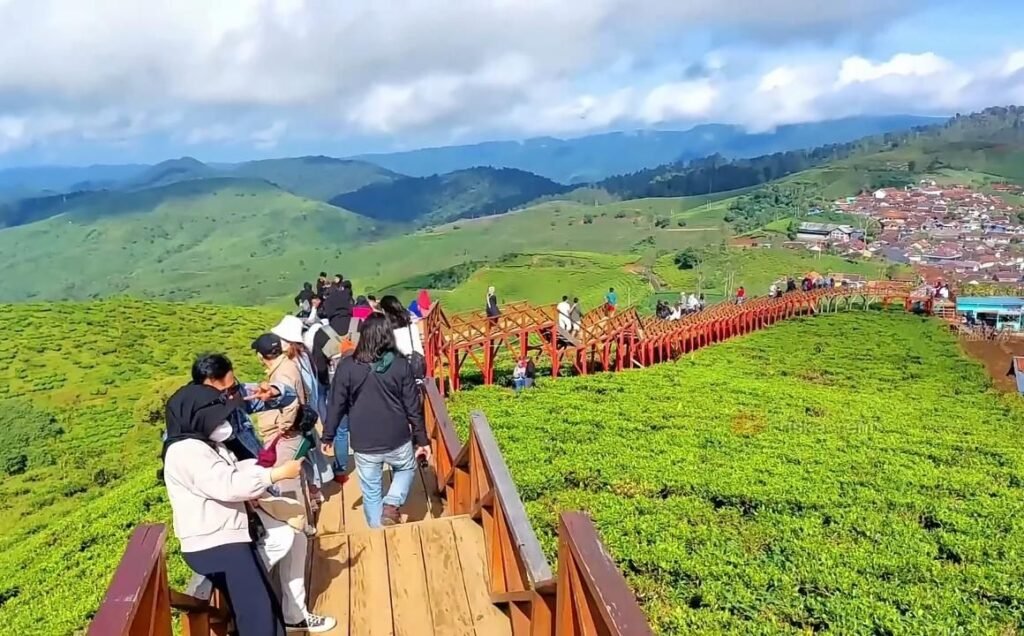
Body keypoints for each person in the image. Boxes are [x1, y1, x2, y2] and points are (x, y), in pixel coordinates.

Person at [163, 363, 336, 634]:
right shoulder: (187, 450)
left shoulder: (205, 439)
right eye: (219, 411)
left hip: (235, 526)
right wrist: (274, 475)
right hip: (218, 539)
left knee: (262, 603)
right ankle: (286, 615)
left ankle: (293, 615)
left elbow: (284, 397)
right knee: (257, 612)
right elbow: (228, 484)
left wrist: (273, 392)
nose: (226, 412)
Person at [321, 315, 430, 528]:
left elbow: (336, 404)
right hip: (397, 435)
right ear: (388, 335)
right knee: (406, 468)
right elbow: (412, 407)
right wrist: (422, 439)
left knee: (371, 490)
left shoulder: (347, 367)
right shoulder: (400, 365)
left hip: (364, 440)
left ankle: (377, 533)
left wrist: (328, 435)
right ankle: (392, 502)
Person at [188, 353, 296, 461]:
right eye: (220, 393)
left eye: (232, 388)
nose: (229, 396)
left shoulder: (239, 395)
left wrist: (274, 392)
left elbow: (290, 397)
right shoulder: (187, 420)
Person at [271, 316, 335, 488]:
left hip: (300, 413)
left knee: (304, 455)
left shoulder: (292, 361)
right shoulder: (304, 354)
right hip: (309, 411)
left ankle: (313, 488)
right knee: (309, 451)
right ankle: (316, 486)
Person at [252, 335, 307, 497]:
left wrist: (283, 428)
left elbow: (291, 402)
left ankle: (298, 519)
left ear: (260, 356)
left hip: (285, 435)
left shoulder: (281, 373)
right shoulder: (288, 365)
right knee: (295, 478)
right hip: (292, 432)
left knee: (287, 485)